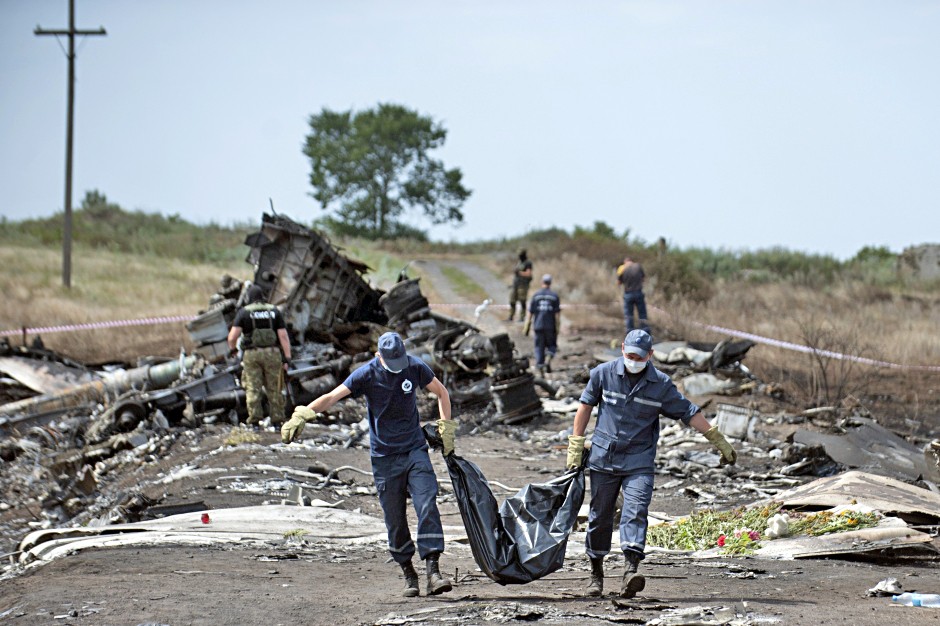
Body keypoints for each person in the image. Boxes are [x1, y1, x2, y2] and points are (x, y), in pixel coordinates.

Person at [280, 331, 457, 598]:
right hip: (384, 458)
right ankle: (409, 573)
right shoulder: (366, 374)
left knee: (427, 502)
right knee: (394, 519)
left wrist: (446, 427)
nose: (398, 367)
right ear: (379, 356)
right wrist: (304, 413)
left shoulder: (414, 366)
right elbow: (332, 396)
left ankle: (434, 571)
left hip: (414, 450)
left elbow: (441, 393)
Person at [565, 329, 737, 598]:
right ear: (622, 348)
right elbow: (585, 407)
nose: (633, 360)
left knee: (636, 509)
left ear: (650, 355)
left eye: (639, 356)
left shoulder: (660, 384)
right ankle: (596, 575)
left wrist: (717, 439)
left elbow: (688, 412)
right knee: (600, 516)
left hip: (639, 460)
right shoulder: (603, 373)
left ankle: (630, 571)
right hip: (604, 457)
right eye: (629, 354)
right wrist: (576, 444)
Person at [227, 284, 292, 426]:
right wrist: (287, 358)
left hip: (252, 355)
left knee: (253, 387)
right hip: (272, 354)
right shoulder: (274, 311)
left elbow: (232, 337)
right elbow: (283, 336)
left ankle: (255, 421)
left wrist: (233, 351)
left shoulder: (244, 312)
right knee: (275, 388)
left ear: (249, 298)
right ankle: (277, 420)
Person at [524, 274, 561, 374]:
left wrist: (527, 326)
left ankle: (540, 368)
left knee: (539, 347)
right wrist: (558, 327)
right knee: (552, 345)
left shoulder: (536, 296)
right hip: (550, 326)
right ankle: (548, 357)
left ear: (542, 282)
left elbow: (530, 312)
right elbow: (557, 314)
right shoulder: (554, 296)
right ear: (550, 283)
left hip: (538, 325)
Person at [616, 256, 648, 333]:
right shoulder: (638, 266)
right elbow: (643, 279)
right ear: (631, 261)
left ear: (625, 262)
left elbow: (619, 283)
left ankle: (629, 333)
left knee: (629, 316)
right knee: (642, 314)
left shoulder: (623, 269)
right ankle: (645, 332)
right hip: (638, 292)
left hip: (628, 294)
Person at [508, 249, 533, 321]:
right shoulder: (519, 262)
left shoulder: (528, 263)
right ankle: (511, 316)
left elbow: (528, 274)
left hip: (523, 285)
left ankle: (522, 317)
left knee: (522, 301)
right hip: (516, 284)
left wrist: (519, 273)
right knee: (512, 300)